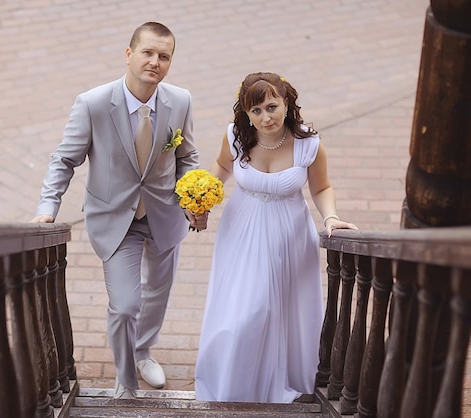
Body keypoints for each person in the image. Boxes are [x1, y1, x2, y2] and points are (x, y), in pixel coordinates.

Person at [31, 22, 205, 399]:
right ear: (129, 54)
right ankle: (126, 382)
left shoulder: (181, 100)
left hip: (164, 215)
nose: (155, 62)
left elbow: (187, 156)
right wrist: (48, 207)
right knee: (125, 305)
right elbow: (64, 159)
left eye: (164, 56)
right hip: (115, 219)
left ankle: (143, 351)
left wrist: (193, 198)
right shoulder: (93, 103)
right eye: (148, 53)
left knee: (157, 293)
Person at [194, 72, 358, 403]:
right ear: (246, 113)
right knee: (245, 310)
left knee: (279, 310)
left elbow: (322, 187)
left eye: (272, 107)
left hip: (289, 235)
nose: (265, 118)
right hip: (241, 232)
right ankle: (232, 383)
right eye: (256, 111)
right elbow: (222, 167)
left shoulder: (308, 144)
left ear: (287, 103)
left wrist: (331, 217)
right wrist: (203, 199)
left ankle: (275, 382)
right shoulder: (236, 137)